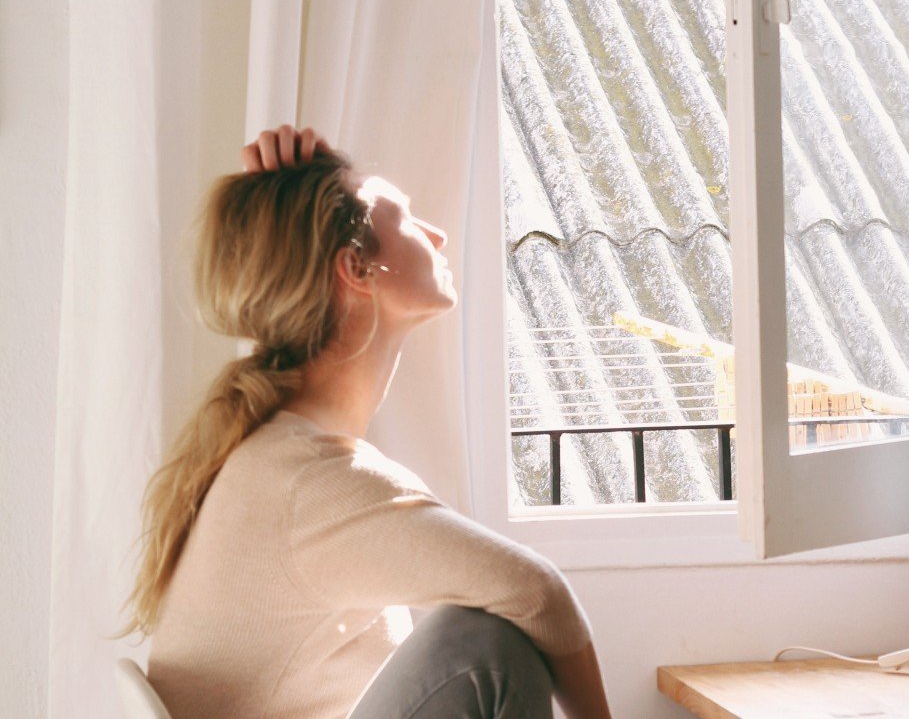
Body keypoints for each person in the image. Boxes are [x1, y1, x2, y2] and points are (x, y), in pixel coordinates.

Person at [119, 126, 612, 718]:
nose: (437, 233)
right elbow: (538, 593)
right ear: (355, 268)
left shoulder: (282, 457)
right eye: (406, 220)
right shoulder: (308, 480)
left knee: (482, 628)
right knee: (483, 644)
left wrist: (301, 183)